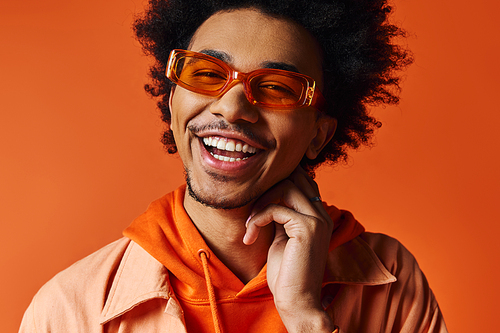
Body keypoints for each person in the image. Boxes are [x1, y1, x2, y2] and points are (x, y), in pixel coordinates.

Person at [19, 0, 447, 332]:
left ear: (319, 134)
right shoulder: (70, 307)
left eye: (277, 87)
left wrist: (305, 318)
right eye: (206, 74)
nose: (231, 107)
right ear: (173, 103)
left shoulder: (391, 281)